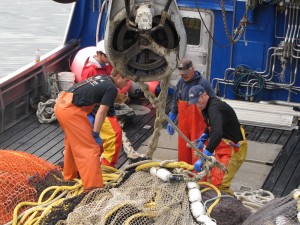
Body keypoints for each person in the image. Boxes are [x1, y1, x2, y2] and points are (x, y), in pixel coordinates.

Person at [54, 70, 129, 190]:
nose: (127, 84)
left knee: (72, 143)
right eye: (126, 80)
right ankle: (93, 190)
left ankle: (69, 177)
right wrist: (96, 133)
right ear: (119, 76)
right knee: (90, 149)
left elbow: (106, 110)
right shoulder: (112, 88)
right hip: (71, 110)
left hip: (61, 104)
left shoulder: (102, 78)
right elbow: (101, 111)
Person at [188, 85, 247, 195]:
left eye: (198, 101)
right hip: (222, 149)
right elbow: (211, 124)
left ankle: (231, 210)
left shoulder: (215, 108)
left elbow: (217, 133)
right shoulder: (205, 107)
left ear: (205, 95)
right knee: (211, 180)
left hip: (233, 150)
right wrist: (204, 135)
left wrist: (203, 157)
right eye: (195, 102)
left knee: (220, 185)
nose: (197, 105)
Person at [167, 58, 216, 165]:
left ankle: (199, 176)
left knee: (197, 151)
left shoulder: (203, 83)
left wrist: (212, 123)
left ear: (192, 69)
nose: (184, 76)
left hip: (198, 125)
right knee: (183, 152)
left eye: (186, 73)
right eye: (181, 74)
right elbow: (176, 100)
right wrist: (172, 117)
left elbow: (213, 103)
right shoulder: (180, 82)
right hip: (183, 124)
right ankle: (184, 174)